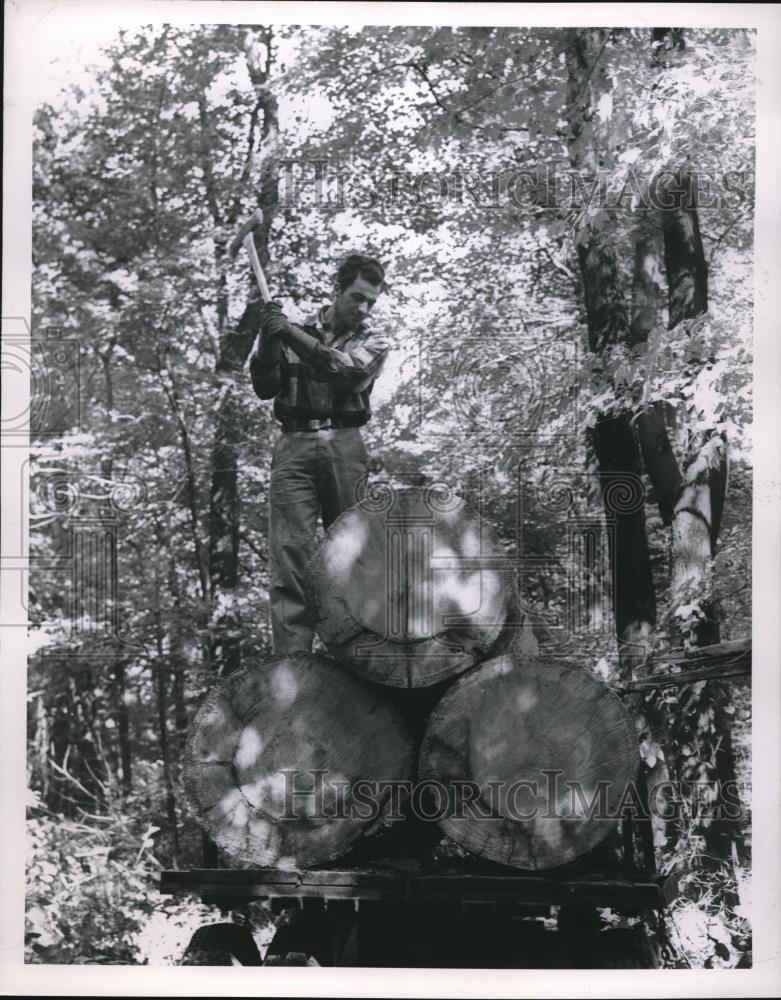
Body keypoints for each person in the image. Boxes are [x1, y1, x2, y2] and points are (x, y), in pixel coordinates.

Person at [249, 253, 390, 654]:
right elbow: (265, 385)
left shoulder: (374, 341)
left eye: (371, 303)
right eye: (357, 298)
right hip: (293, 444)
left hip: (345, 444)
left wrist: (290, 334)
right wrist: (268, 337)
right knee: (290, 552)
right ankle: (293, 665)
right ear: (337, 291)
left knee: (351, 549)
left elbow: (343, 369)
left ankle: (357, 653)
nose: (363, 309)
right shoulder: (295, 328)